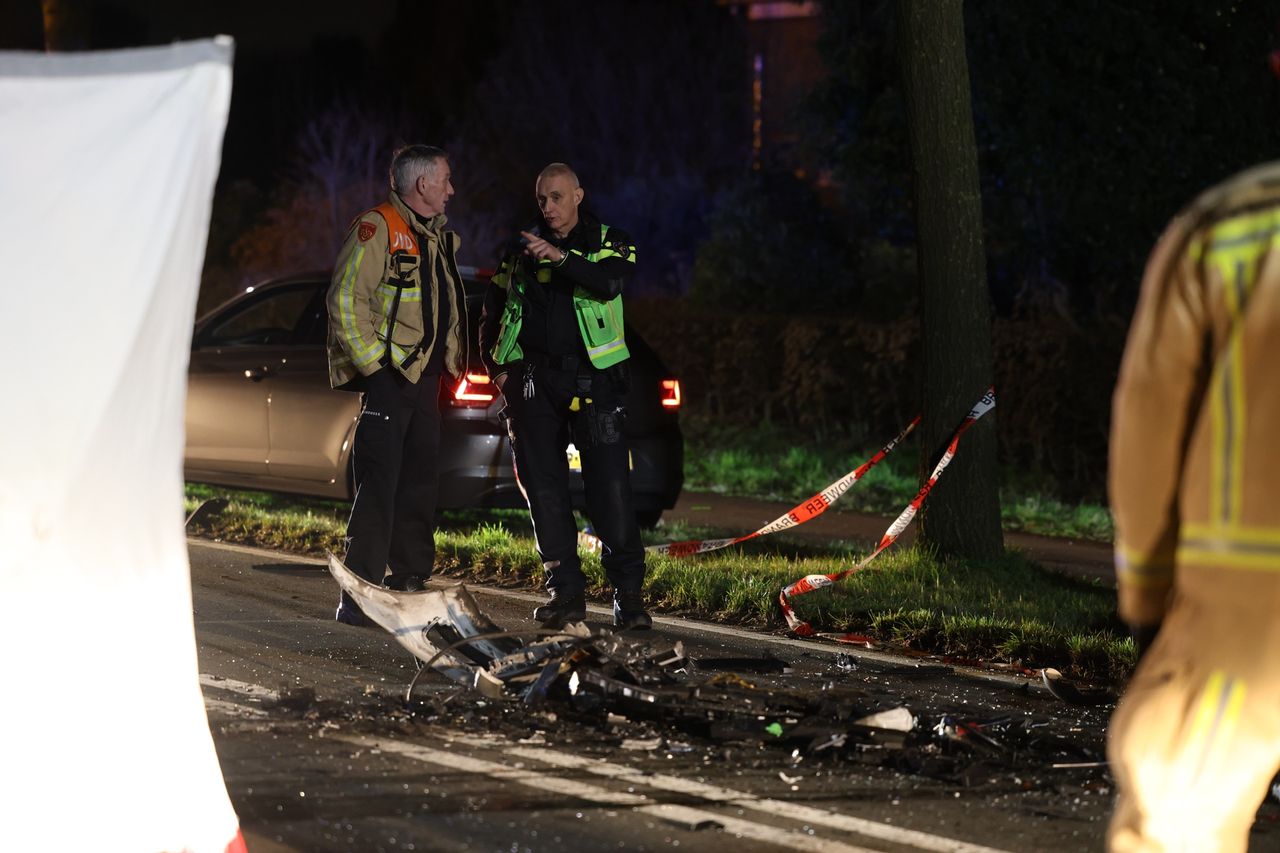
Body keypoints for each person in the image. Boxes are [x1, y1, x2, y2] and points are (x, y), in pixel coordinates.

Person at [1106, 161, 1280, 852]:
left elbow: (1149, 426)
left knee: (1174, 823)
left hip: (1245, 609)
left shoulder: (1231, 223)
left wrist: (1146, 602)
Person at [479, 162, 651, 630]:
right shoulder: (520, 250)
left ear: (578, 195)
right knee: (544, 490)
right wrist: (500, 373)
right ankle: (565, 594)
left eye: (556, 197)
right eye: (542, 199)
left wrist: (559, 259)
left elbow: (610, 282)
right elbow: (493, 310)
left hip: (596, 383)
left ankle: (629, 598)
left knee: (610, 492)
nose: (548, 207)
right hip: (534, 383)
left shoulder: (610, 241)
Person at [325, 144, 466, 626]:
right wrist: (375, 371)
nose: (451, 189)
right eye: (445, 179)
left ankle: (409, 581)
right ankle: (358, 597)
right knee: (379, 487)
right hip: (390, 379)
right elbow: (345, 301)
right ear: (423, 184)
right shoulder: (378, 227)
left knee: (419, 485)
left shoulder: (435, 236)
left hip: (425, 381)